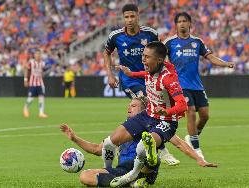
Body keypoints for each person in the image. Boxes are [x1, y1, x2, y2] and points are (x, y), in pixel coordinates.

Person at [60, 92, 217, 187]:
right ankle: (128, 182)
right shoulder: (122, 131)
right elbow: (97, 149)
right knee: (84, 176)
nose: (129, 107)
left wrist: (199, 159)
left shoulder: (153, 125)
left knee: (148, 152)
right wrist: (74, 138)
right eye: (129, 105)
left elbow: (180, 144)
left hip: (145, 168)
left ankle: (140, 176)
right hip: (123, 170)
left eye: (134, 105)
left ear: (143, 110)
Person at [100, 41, 190, 187]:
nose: (143, 59)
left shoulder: (168, 78)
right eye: (143, 55)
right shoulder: (151, 69)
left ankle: (133, 175)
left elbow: (183, 105)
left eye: (147, 57)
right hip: (148, 115)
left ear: (159, 60)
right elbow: (146, 74)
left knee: (142, 147)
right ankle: (109, 171)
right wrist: (131, 74)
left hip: (164, 120)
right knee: (109, 143)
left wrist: (167, 111)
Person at [104, 3, 179, 166]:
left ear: (138, 16)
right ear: (123, 18)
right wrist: (109, 74)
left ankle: (137, 142)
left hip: (149, 78)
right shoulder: (115, 36)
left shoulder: (150, 33)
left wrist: (168, 74)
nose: (129, 20)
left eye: (132, 16)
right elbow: (107, 52)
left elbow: (161, 52)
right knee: (146, 105)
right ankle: (160, 148)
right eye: (126, 17)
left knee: (149, 112)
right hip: (130, 79)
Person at [164, 12, 235, 159]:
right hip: (180, 85)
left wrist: (225, 63)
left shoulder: (197, 42)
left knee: (204, 115)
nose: (182, 24)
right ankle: (196, 149)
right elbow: (162, 60)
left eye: (185, 21)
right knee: (190, 110)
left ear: (190, 24)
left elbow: (210, 57)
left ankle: (192, 136)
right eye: (179, 21)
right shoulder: (169, 43)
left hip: (196, 85)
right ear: (176, 25)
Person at [23, 49, 48, 118]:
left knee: (41, 97)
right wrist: (25, 80)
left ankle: (41, 113)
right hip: (32, 83)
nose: (37, 56)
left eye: (39, 54)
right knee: (31, 98)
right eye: (36, 54)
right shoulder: (31, 62)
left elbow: (42, 71)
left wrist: (41, 76)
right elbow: (26, 70)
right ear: (34, 55)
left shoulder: (42, 63)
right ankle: (25, 108)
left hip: (40, 83)